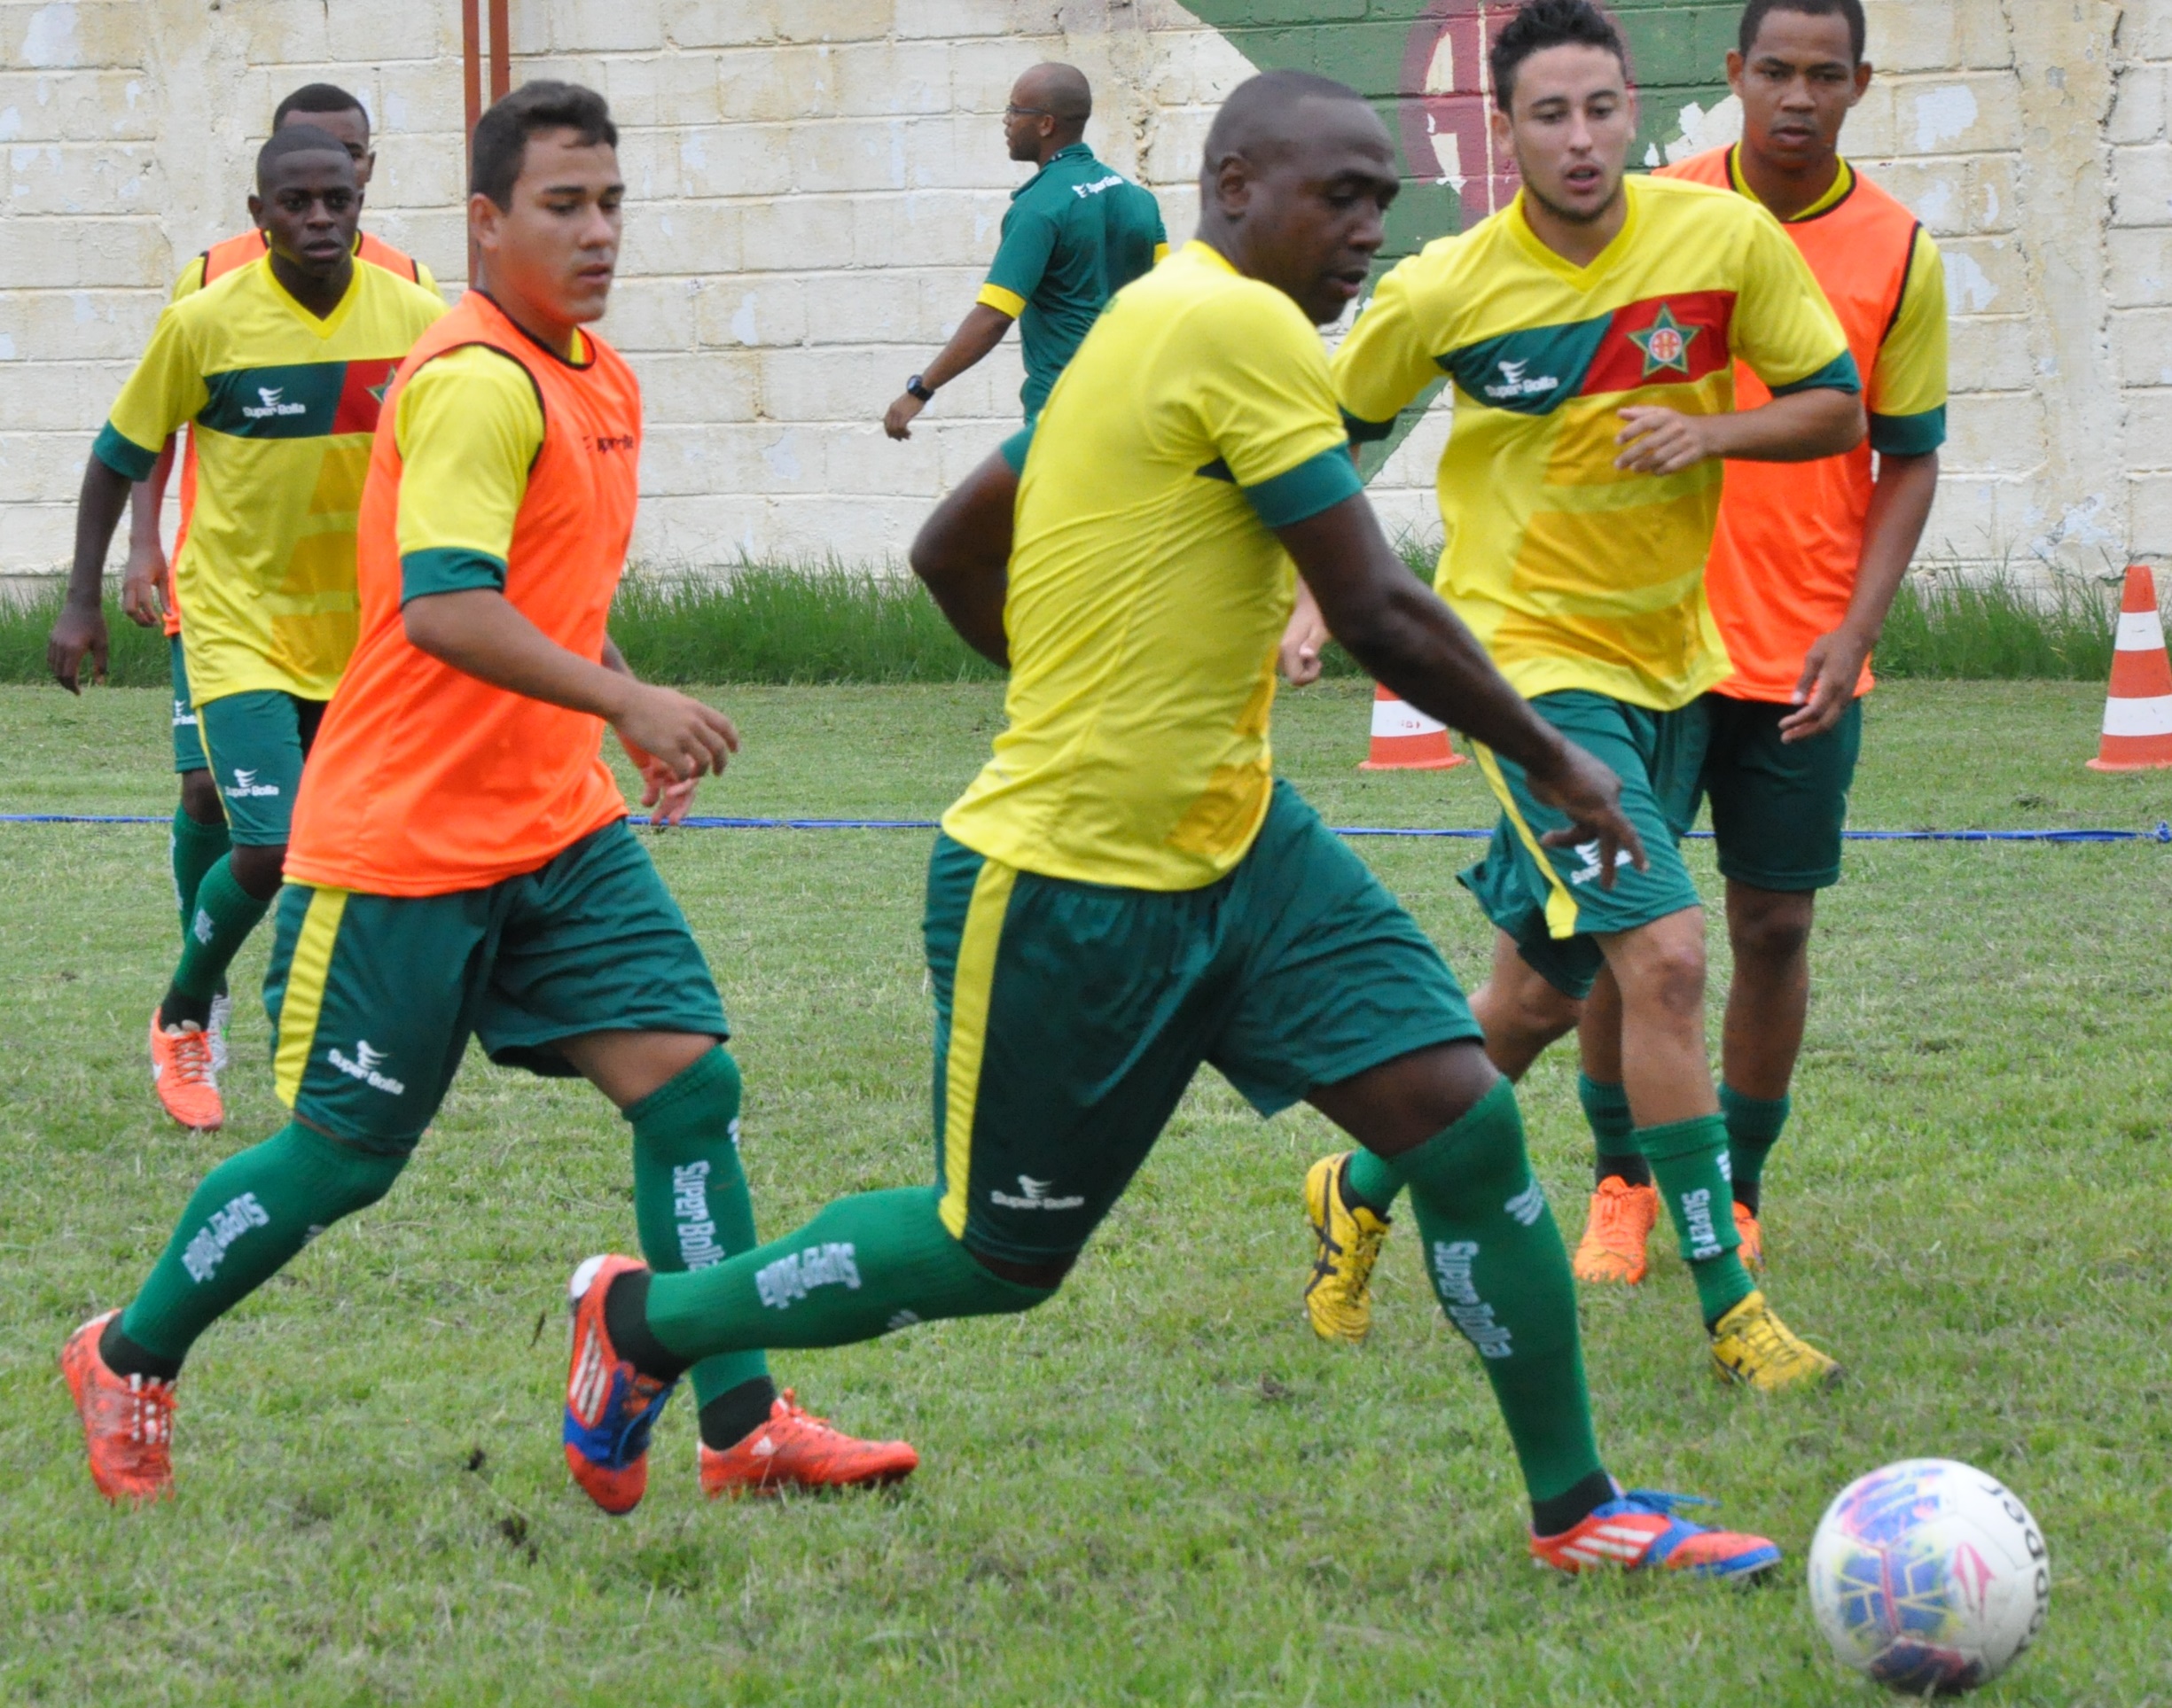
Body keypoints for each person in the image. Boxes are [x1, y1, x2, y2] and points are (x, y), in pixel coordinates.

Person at [557, 69, 1785, 1580]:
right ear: (1232, 188)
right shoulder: (1229, 322)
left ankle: (1578, 1507)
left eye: (1381, 202)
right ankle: (640, 1322)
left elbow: (952, 546)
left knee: (1465, 1124)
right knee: (992, 1259)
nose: (1365, 232)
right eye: (1335, 196)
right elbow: (1380, 610)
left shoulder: (1145, 326)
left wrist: (1087, 664)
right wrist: (1558, 762)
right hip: (1073, 876)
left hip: (1247, 849)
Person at [59, 82, 916, 1510]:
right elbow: (448, 606)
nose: (596, 234)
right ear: (484, 221)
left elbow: (549, 591)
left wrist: (619, 703)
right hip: (403, 840)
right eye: (562, 207)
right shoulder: (470, 377)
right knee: (340, 1159)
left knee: (690, 1087)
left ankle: (740, 1419)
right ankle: (128, 1353)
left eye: (611, 203)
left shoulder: (595, 372)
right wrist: (631, 703)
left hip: (555, 827)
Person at [1291, 0, 1862, 1391]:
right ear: (1504, 134)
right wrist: (1310, 594)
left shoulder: (1723, 242)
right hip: (1526, 678)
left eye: (1602, 107)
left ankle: (1353, 1191)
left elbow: (1838, 405)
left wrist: (1711, 426)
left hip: (1672, 663)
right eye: (1548, 115)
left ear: (1634, 106)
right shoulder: (1444, 287)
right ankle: (1731, 1306)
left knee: (1535, 1003)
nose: (1583, 138)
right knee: (1666, 958)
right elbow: (1320, 441)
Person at [1589, 0, 1942, 1272]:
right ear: (1735, 73)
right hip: (1642, 640)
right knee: (1620, 929)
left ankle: (1734, 1188)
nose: (1797, 95)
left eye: (1824, 75)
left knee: (1771, 928)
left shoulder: (1896, 248)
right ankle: (1618, 1183)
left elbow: (1908, 458)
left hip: (1800, 649)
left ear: (1858, 84)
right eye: (1775, 71)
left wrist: (1856, 630)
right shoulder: (1650, 213)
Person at [48, 125, 448, 1135]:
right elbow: (116, 453)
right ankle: (185, 1010)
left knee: (357, 848)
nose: (319, 218)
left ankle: (308, 1016)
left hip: (363, 633)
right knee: (269, 844)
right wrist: (83, 595)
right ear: (258, 215)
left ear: (362, 197)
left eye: (336, 200)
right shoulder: (205, 322)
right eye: (296, 203)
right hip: (235, 623)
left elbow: (463, 455)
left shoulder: (418, 318)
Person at [882, 63, 1166, 438]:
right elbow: (1167, 302)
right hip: (1137, 414)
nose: (1006, 121)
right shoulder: (1139, 200)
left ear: (1046, 124)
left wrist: (920, 390)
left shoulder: (1039, 209)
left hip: (1066, 417)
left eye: (1015, 110)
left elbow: (994, 317)